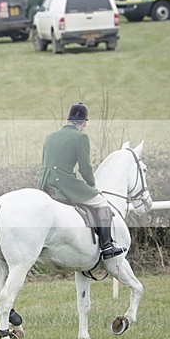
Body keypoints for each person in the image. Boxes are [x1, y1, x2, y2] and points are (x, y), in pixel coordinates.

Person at [37, 103, 125, 259]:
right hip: (64, 184)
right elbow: (85, 168)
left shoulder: (50, 137)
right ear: (85, 123)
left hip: (44, 184)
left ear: (68, 120)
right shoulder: (81, 138)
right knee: (102, 203)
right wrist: (92, 185)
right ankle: (107, 246)